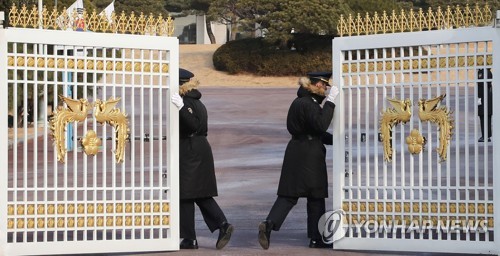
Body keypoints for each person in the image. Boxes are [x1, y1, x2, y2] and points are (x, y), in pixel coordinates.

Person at [258, 71, 339, 249]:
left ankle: (269, 224)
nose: (326, 88)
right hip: (310, 154)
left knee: (288, 195)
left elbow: (313, 130)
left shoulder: (298, 102)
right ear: (317, 84)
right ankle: (316, 238)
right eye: (325, 85)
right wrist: (331, 102)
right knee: (316, 196)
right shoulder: (309, 104)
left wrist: (336, 140)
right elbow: (320, 124)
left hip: (295, 150)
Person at [171, 68, 234, 250]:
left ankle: (194, 236)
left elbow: (193, 125)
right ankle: (217, 227)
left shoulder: (187, 102)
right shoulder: (197, 101)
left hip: (191, 150)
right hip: (197, 149)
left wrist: (181, 108)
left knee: (186, 193)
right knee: (195, 194)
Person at [477, 68, 493, 142]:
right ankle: (487, 136)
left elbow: (484, 84)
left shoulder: (483, 72)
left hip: (484, 98)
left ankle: (485, 136)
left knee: (484, 116)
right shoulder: (485, 71)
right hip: (484, 98)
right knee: (485, 117)